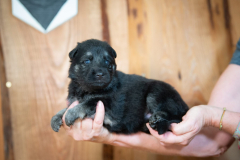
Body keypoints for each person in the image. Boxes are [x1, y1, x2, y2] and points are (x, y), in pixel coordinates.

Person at [62, 39, 240, 157]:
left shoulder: (116, 87)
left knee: (157, 96)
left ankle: (162, 117)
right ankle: (160, 120)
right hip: (140, 120)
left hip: (160, 102)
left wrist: (209, 116)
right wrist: (108, 137)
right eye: (87, 62)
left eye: (107, 64)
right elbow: (215, 143)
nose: (99, 71)